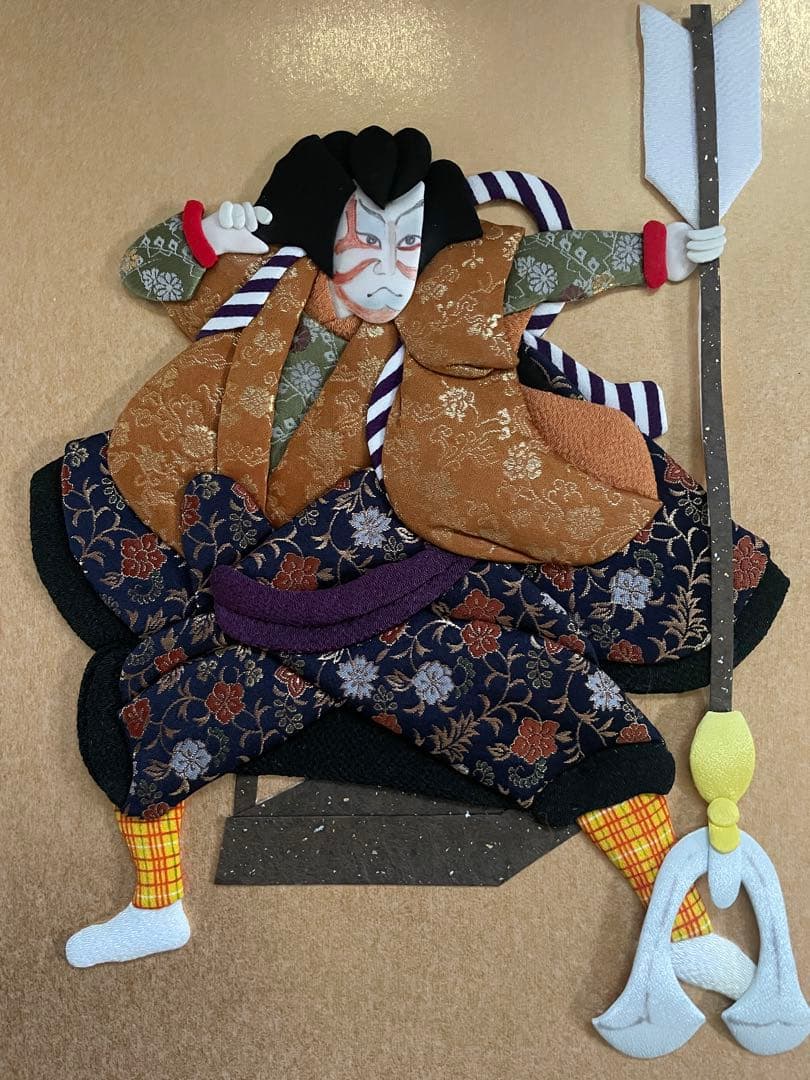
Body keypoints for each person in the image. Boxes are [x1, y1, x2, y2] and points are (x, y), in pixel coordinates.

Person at [29, 130, 784, 989]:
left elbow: (534, 266)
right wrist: (205, 233)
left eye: (407, 242)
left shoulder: (451, 309)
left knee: (548, 696)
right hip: (244, 558)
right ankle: (156, 903)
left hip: (405, 556)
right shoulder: (273, 287)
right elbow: (155, 273)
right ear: (323, 230)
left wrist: (655, 252)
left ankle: (681, 925)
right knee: (168, 695)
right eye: (365, 239)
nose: (387, 265)